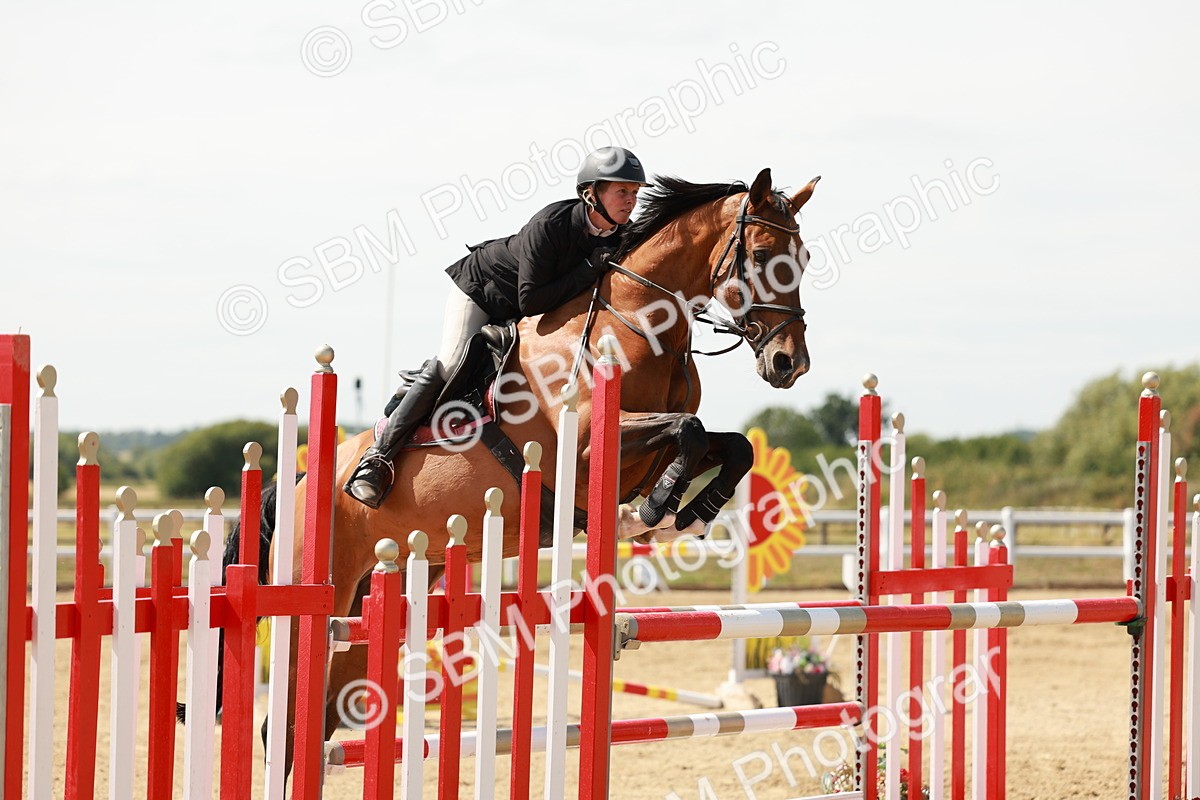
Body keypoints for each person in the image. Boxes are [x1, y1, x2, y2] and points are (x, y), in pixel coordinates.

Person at [344, 146, 653, 508]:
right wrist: (589, 269)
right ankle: (377, 459)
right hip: (484, 293)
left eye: (634, 193)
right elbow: (531, 300)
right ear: (591, 193)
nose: (630, 201)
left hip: (526, 313)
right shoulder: (550, 226)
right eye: (622, 192)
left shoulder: (623, 236)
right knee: (451, 364)